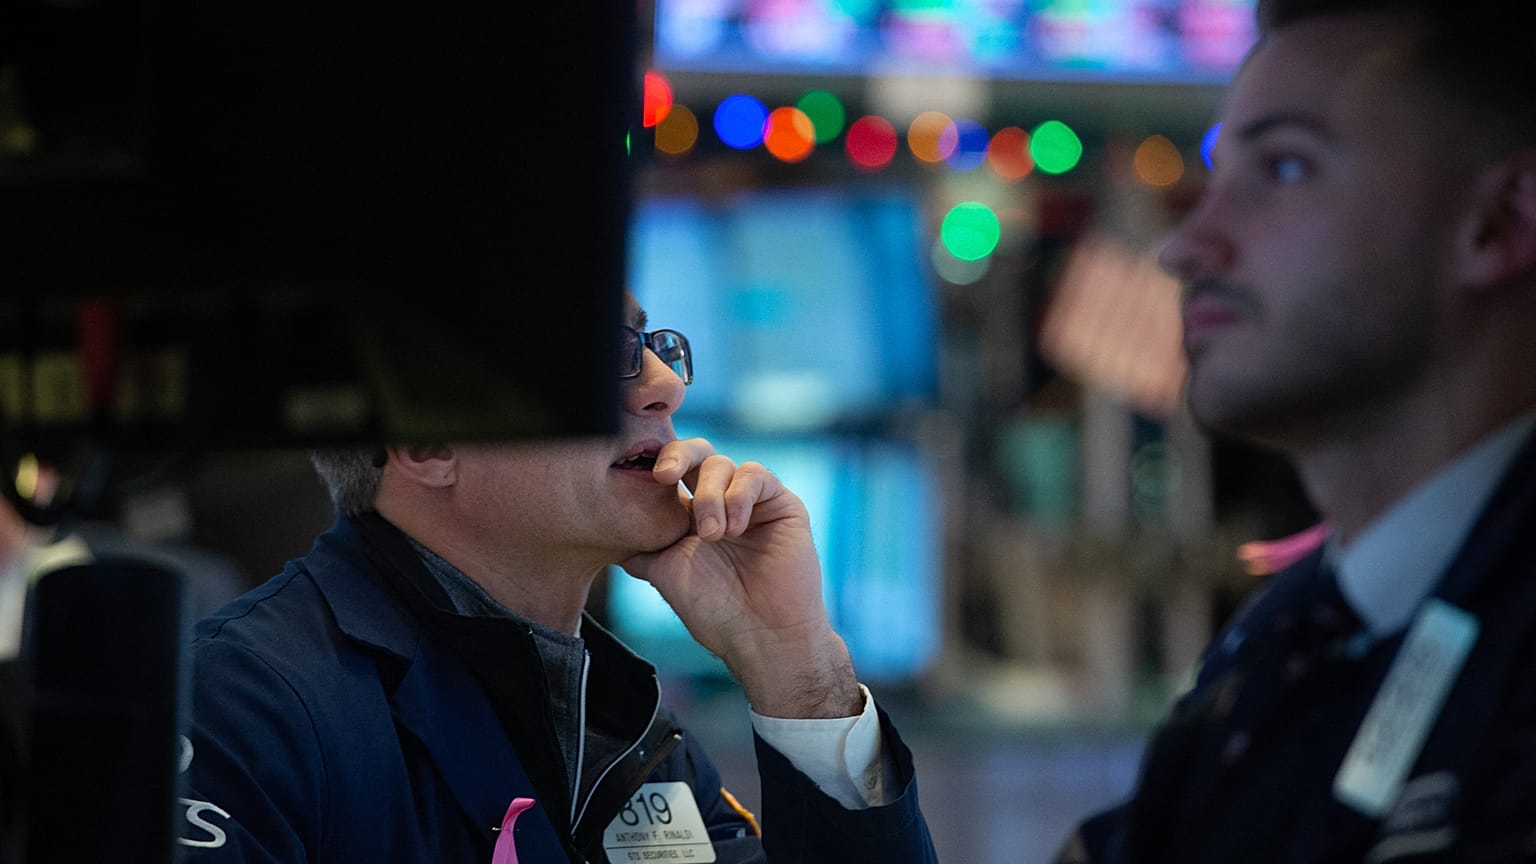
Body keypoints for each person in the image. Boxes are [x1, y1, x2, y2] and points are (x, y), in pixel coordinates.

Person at [178, 293, 937, 862]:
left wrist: (796, 664)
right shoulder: (241, 706)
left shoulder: (631, 734)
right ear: (430, 440)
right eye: (600, 349)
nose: (664, 385)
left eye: (653, 347)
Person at [1059, 0, 1536, 861]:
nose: (1187, 246)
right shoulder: (1281, 645)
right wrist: (809, 688)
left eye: (1282, 169)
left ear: (1502, 222)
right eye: (1217, 174)